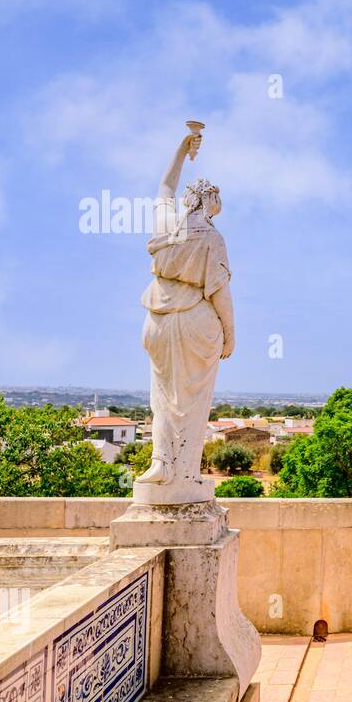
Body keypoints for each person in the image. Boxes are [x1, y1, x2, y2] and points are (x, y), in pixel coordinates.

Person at [134, 130, 235, 495]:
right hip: (196, 320)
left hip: (158, 319)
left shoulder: (166, 227)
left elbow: (165, 186)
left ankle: (162, 463)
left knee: (162, 396)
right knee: (192, 402)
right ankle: (186, 475)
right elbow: (220, 291)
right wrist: (231, 333)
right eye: (216, 200)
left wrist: (181, 149)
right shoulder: (212, 238)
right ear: (209, 202)